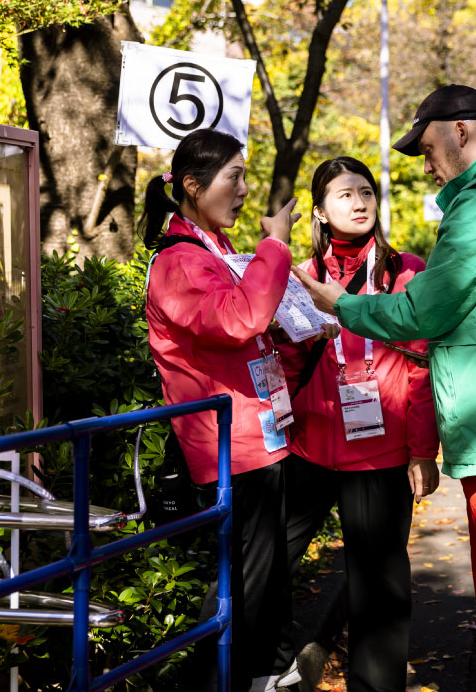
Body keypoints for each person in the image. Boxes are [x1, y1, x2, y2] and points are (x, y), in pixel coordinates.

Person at [293, 85, 476, 692]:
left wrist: (341, 304)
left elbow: (423, 313)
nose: (425, 167)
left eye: (426, 148)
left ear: (459, 132)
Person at [140, 128, 302, 692]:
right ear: (191, 185)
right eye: (233, 177)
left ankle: (270, 671)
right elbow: (237, 320)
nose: (242, 189)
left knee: (266, 574)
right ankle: (210, 682)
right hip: (230, 443)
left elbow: (248, 326)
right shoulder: (179, 262)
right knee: (247, 579)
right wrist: (274, 247)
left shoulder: (211, 250)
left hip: (257, 433)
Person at [273, 156, 440, 692]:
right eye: (343, 195)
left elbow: (419, 365)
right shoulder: (303, 275)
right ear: (320, 211)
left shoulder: (405, 270)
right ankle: (259, 668)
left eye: (365, 191)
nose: (359, 201)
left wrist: (422, 450)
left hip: (382, 451)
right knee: (266, 561)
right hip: (311, 447)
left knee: (379, 589)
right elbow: (289, 365)